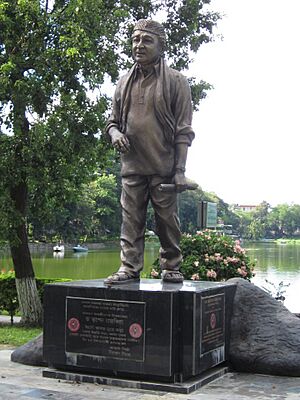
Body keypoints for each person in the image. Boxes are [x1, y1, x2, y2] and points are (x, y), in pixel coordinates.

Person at [104, 19, 195, 285]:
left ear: (160, 45)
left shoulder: (176, 82)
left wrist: (180, 170)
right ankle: (129, 267)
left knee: (167, 221)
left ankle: (171, 265)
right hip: (132, 165)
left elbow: (184, 130)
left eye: (146, 40)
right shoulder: (123, 83)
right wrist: (115, 134)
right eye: (135, 40)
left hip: (163, 165)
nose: (139, 45)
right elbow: (112, 121)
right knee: (131, 220)